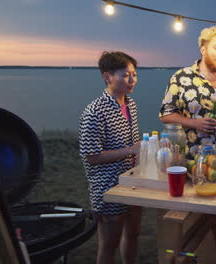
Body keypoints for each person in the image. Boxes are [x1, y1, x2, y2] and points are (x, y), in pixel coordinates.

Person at [79, 51, 142, 264]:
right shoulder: (94, 111)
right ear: (107, 77)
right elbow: (91, 157)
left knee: (133, 235)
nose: (132, 80)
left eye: (134, 74)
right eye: (126, 75)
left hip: (132, 182)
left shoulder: (130, 104)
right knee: (108, 245)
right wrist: (131, 150)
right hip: (108, 188)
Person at [159, 25, 216, 159]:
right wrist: (194, 123)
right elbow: (165, 115)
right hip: (193, 159)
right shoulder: (181, 78)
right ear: (203, 50)